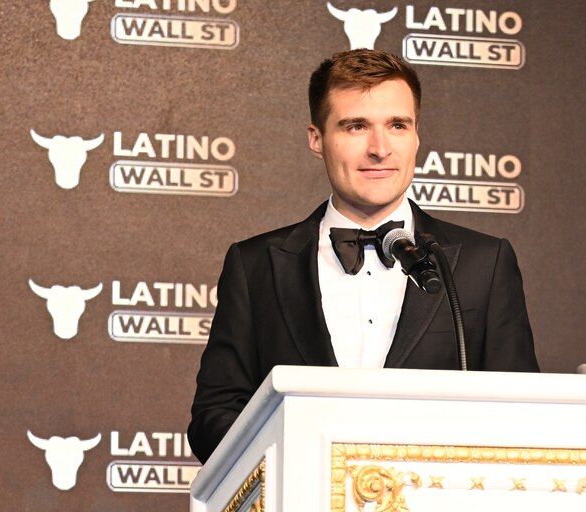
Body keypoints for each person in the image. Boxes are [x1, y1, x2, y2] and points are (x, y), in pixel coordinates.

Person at [188, 49, 539, 464]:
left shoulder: (486, 263)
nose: (380, 148)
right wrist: (301, 465)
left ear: (417, 136)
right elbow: (214, 418)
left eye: (397, 125)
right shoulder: (255, 265)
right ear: (316, 140)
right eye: (356, 126)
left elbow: (523, 417)